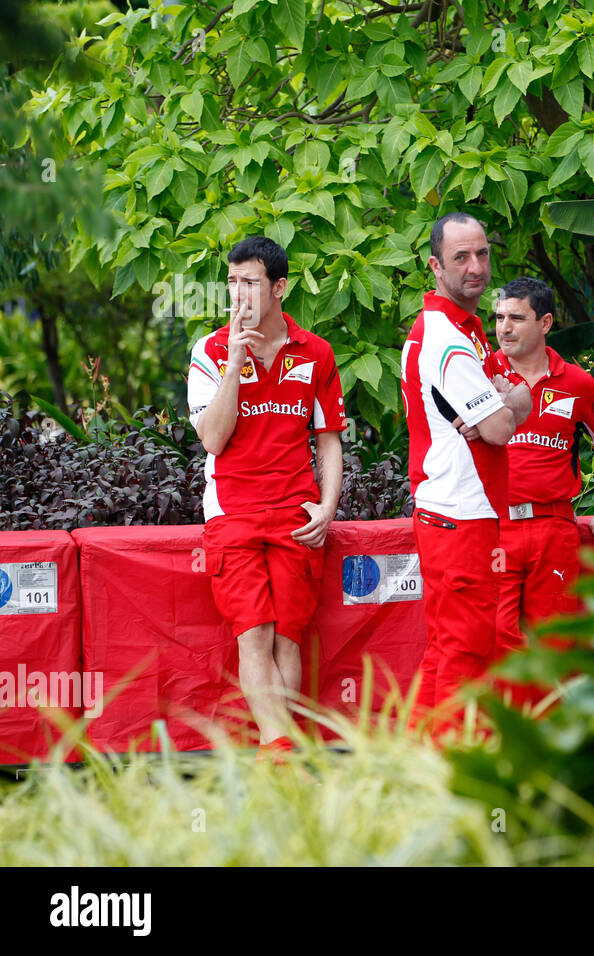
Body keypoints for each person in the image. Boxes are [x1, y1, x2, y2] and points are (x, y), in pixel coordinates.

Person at [187, 235, 346, 760]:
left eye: (250, 282)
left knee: (288, 639)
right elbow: (212, 438)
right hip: (232, 513)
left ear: (279, 287)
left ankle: (279, 755)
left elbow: (329, 442)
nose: (239, 295)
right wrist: (234, 363)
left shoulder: (316, 352)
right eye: (231, 283)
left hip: (296, 514)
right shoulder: (208, 350)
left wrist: (327, 506)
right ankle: (284, 754)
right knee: (253, 634)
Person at [400, 212, 530, 732]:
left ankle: (414, 766)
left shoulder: (461, 328)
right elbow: (500, 427)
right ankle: (452, 781)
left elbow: (510, 405)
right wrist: (504, 408)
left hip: (452, 514)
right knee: (466, 654)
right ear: (435, 266)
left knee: (446, 650)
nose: (475, 267)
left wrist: (506, 405)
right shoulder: (448, 339)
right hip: (459, 515)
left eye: (482, 254)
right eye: (461, 257)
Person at [487, 277, 594, 690]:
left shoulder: (578, 383)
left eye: (517, 318)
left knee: (559, 638)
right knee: (495, 634)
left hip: (554, 527)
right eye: (499, 318)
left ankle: (551, 735)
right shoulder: (481, 372)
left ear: (545, 322)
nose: (504, 328)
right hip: (495, 526)